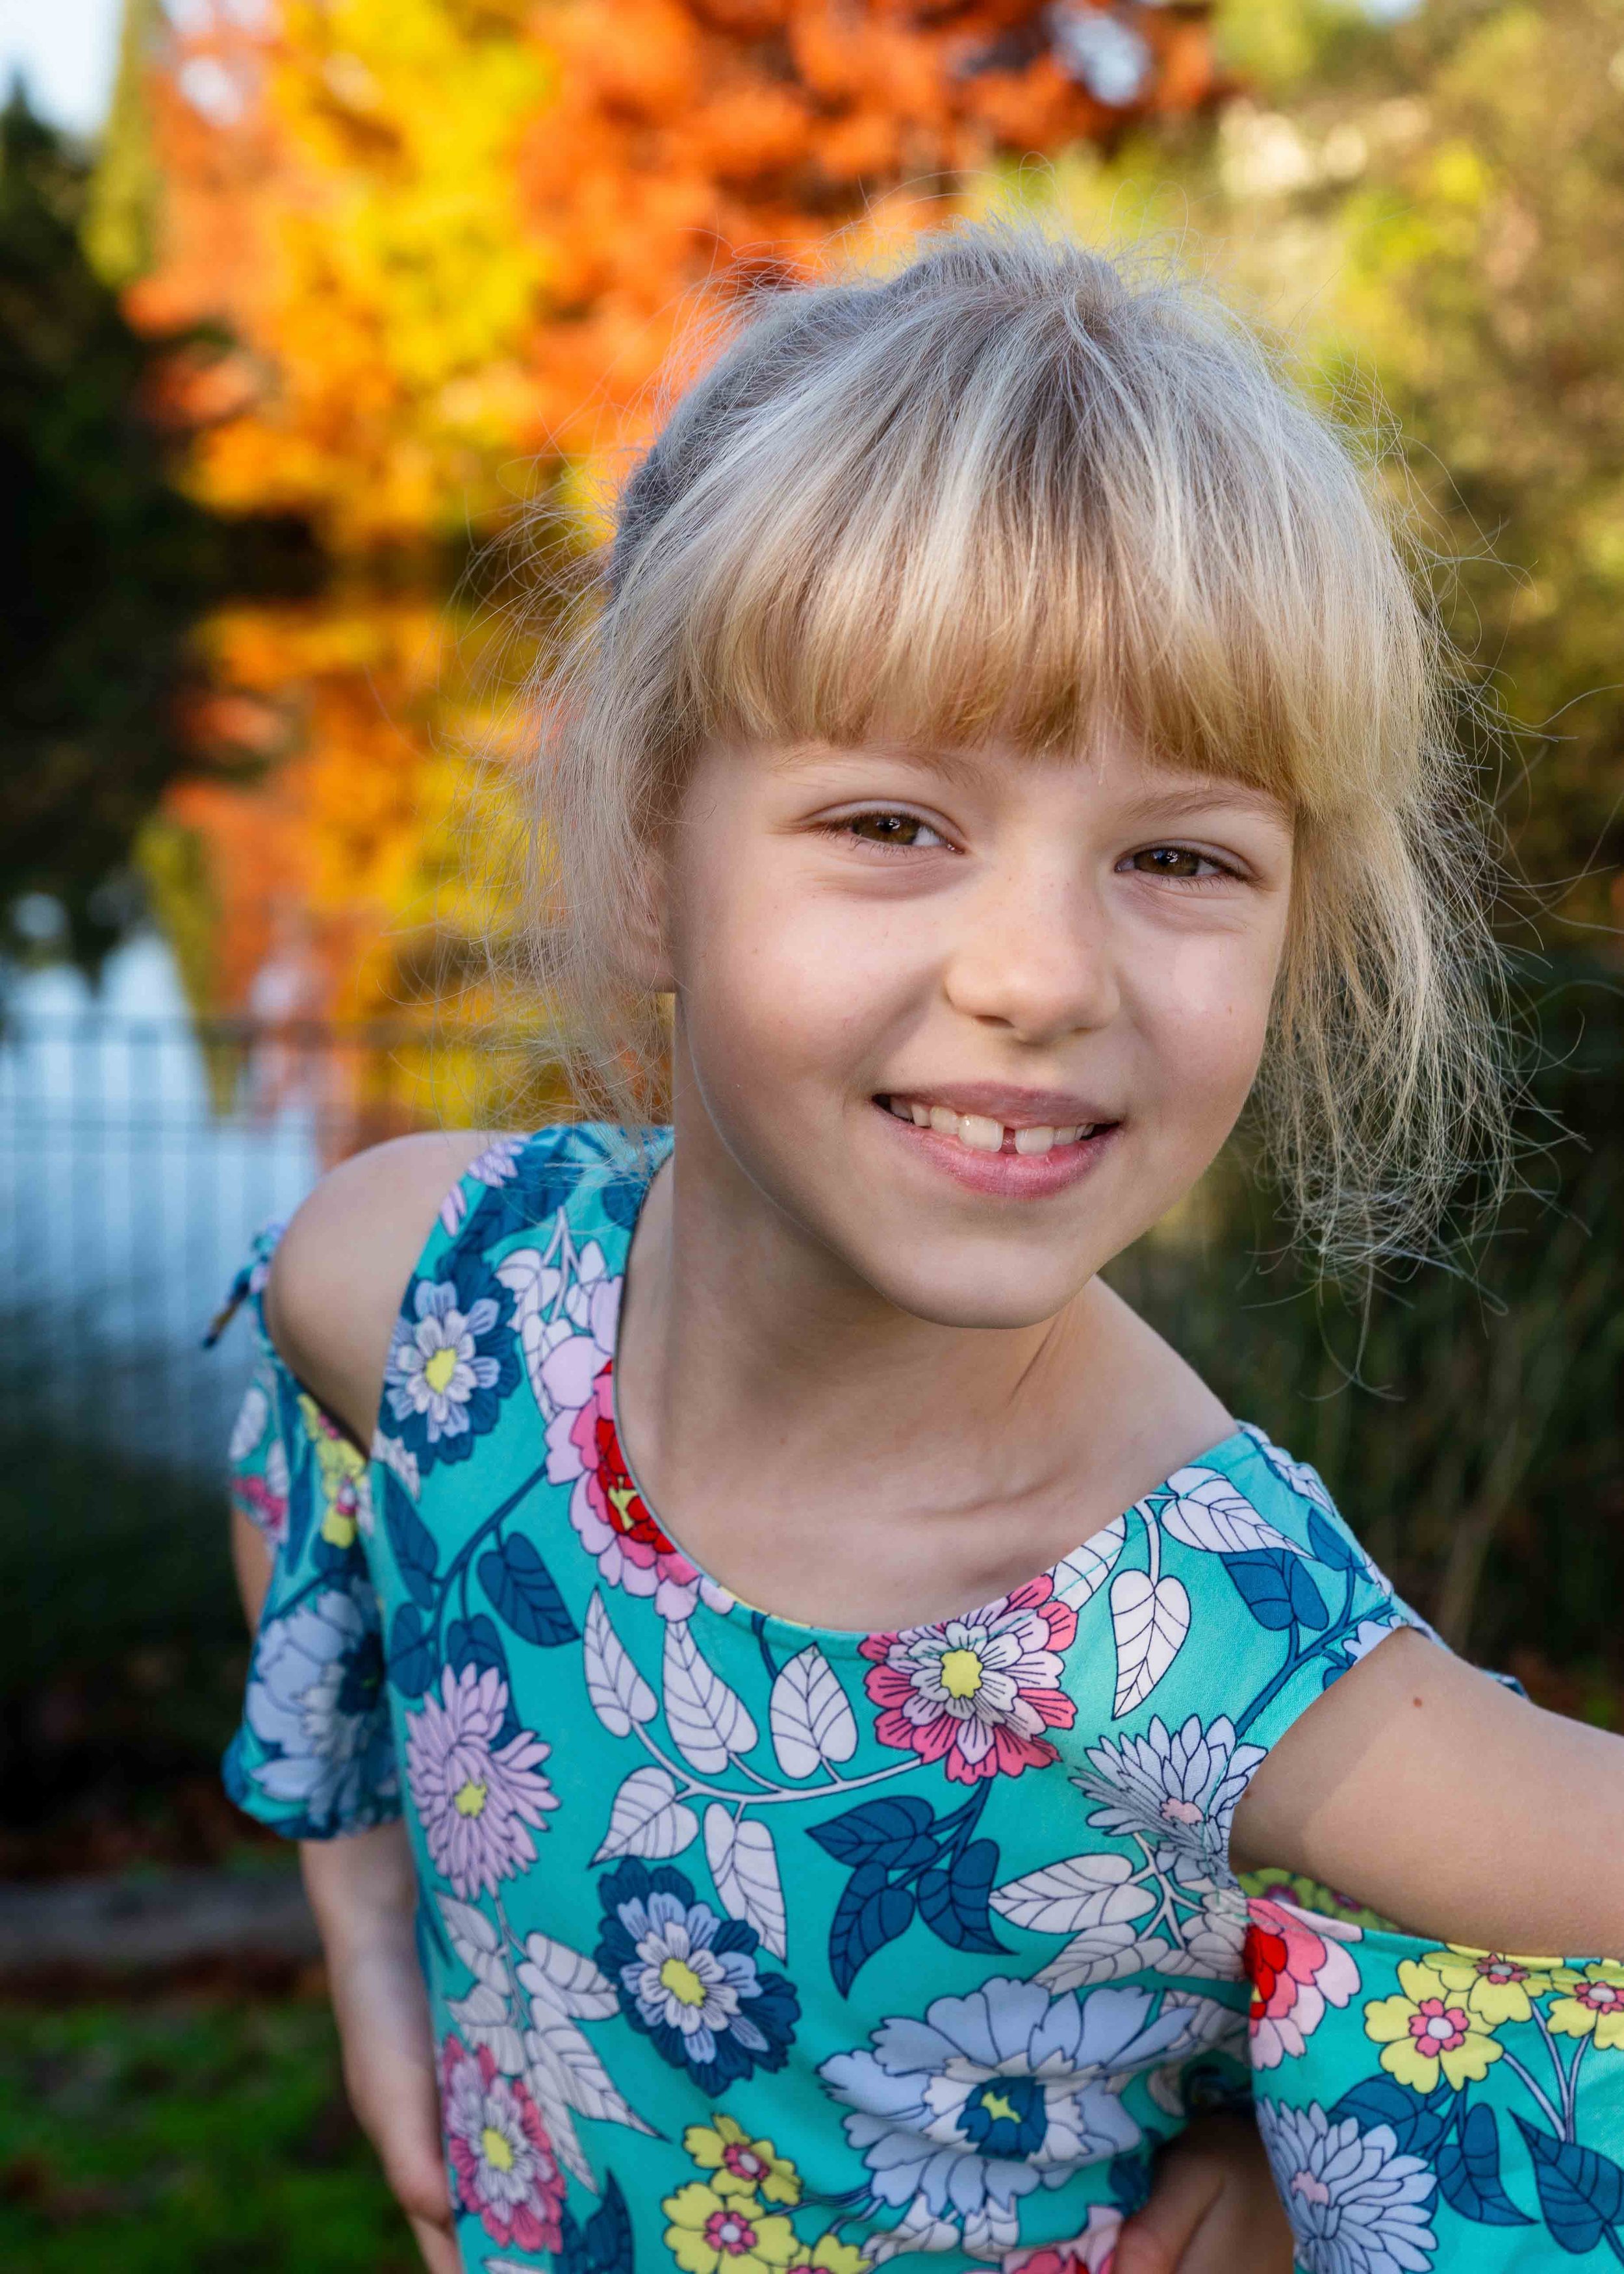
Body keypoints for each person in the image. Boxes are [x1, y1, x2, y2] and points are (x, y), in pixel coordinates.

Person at [218, 224, 1624, 2274]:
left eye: (1177, 856)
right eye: (893, 822)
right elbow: (305, 1424)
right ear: (643, 854)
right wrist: (366, 1931)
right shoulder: (430, 1297)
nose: (1039, 972)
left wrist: (1325, 2143)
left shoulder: (1209, 1650)